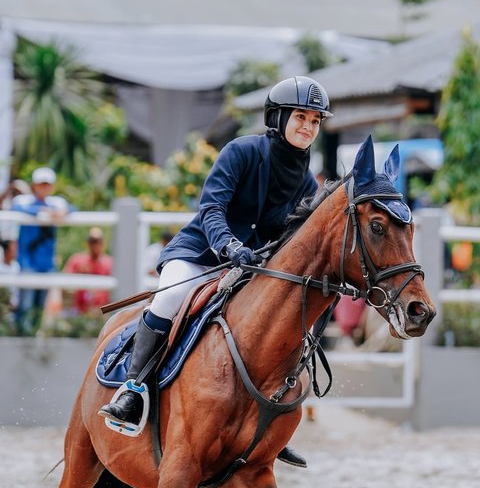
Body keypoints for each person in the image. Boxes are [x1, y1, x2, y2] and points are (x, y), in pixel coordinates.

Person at [99, 76, 333, 467]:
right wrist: (230, 246)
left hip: (251, 270)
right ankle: (132, 388)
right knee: (170, 296)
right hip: (200, 255)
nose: (308, 127)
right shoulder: (241, 151)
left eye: (315, 121)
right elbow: (212, 209)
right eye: (301, 117)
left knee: (292, 323)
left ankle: (271, 420)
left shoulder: (308, 181)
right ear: (278, 118)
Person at [11, 167, 73, 335]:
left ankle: (32, 337)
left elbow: (72, 209)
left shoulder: (57, 203)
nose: (44, 188)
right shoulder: (25, 201)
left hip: (46, 263)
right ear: (34, 185)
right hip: (28, 262)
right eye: (41, 184)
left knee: (39, 305)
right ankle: (22, 338)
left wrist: (59, 212)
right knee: (25, 304)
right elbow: (16, 207)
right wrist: (45, 212)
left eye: (47, 184)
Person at [63, 227, 113, 315]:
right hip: (79, 311)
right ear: (87, 243)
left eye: (98, 241)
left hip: (102, 312)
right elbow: (64, 286)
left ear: (103, 243)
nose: (95, 244)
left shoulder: (110, 262)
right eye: (92, 241)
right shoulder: (76, 260)